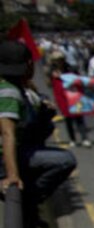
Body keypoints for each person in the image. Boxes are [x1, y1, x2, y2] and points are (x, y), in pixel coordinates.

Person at [0, 40, 77, 202]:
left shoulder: (17, 88)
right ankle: (30, 198)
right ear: (28, 63)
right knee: (65, 160)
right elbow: (8, 133)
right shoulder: (9, 92)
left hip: (19, 151)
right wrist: (12, 175)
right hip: (6, 158)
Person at [46, 50, 92, 148]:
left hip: (73, 95)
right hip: (62, 98)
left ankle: (85, 138)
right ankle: (73, 139)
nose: (59, 62)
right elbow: (49, 84)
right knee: (68, 119)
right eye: (56, 60)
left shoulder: (71, 69)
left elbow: (79, 79)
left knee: (79, 117)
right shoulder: (52, 71)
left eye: (60, 60)